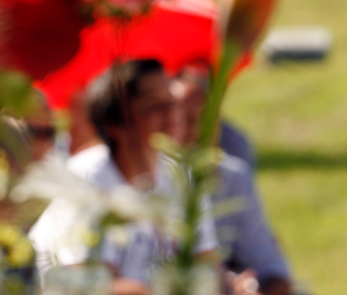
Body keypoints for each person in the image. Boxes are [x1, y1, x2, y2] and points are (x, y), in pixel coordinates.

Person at [29, 59, 220, 294]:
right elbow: (84, 282)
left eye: (171, 99)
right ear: (114, 122)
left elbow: (207, 264)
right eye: (154, 103)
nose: (171, 110)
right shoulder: (87, 180)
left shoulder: (180, 177)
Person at [169, 73, 292, 295]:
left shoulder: (233, 177)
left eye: (205, 119)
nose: (196, 131)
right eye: (184, 119)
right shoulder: (156, 184)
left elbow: (273, 269)